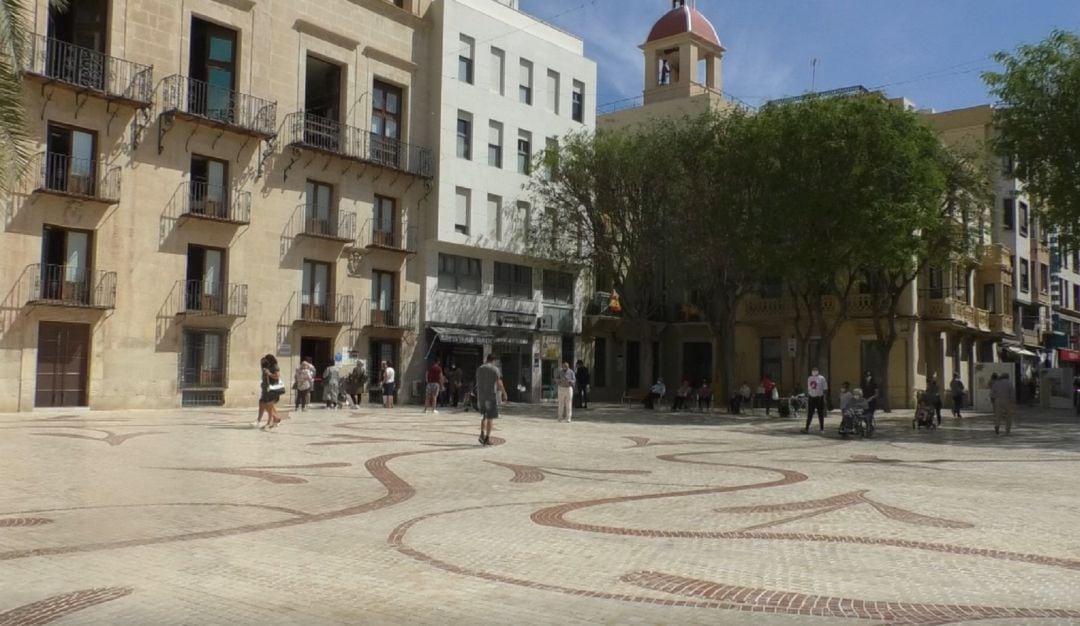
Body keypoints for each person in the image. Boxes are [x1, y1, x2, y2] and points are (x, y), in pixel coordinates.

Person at [476, 354, 508, 446]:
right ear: (493, 360)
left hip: (481, 397)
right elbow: (499, 383)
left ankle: (482, 433)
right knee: (490, 417)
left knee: (484, 416)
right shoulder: (494, 369)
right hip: (490, 397)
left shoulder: (480, 368)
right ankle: (487, 438)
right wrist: (504, 393)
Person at [257, 354, 283, 429]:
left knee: (268, 405)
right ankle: (275, 419)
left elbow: (277, 376)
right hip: (266, 389)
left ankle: (270, 421)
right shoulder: (266, 367)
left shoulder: (275, 366)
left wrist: (269, 373)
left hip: (272, 389)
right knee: (266, 405)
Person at [802, 367, 828, 433]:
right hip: (811, 397)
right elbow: (809, 388)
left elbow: (825, 388)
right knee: (810, 413)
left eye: (815, 370)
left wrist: (824, 398)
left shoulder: (821, 378)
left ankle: (822, 428)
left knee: (820, 414)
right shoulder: (810, 378)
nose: (814, 371)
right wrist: (808, 395)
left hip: (819, 397)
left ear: (818, 371)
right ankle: (807, 428)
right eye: (813, 370)